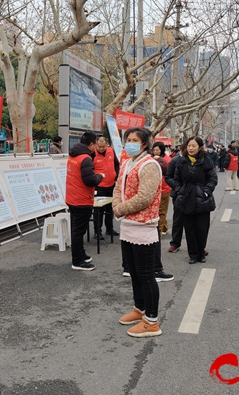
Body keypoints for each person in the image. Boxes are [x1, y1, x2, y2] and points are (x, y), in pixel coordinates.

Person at [113, 127, 163, 337]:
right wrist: (117, 204)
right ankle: (139, 308)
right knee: (133, 272)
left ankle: (151, 321)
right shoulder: (127, 162)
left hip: (143, 227)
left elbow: (145, 197)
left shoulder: (150, 165)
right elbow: (118, 188)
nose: (130, 143)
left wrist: (120, 209)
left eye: (135, 140)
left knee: (145, 274)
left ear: (144, 144)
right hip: (128, 226)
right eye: (128, 139)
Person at [169, 137, 217, 264]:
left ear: (200, 147)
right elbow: (176, 179)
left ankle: (201, 253)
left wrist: (206, 192)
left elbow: (212, 178)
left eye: (193, 146)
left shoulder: (206, 160)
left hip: (202, 198)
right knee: (189, 229)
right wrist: (179, 189)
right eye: (189, 145)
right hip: (185, 198)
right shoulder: (181, 161)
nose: (190, 148)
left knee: (202, 228)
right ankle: (193, 255)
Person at [65, 131, 104, 271]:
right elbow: (89, 180)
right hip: (81, 199)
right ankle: (77, 261)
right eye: (96, 144)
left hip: (72, 197)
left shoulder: (73, 154)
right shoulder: (85, 158)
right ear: (91, 144)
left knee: (77, 229)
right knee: (78, 231)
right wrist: (100, 176)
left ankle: (81, 254)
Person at [149, 142, 174, 282]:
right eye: (154, 149)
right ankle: (163, 227)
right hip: (153, 190)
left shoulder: (167, 161)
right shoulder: (148, 160)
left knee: (162, 212)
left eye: (158, 149)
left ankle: (160, 229)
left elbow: (168, 174)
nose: (156, 151)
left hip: (164, 189)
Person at [92, 136, 119, 240]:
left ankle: (109, 229)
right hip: (100, 187)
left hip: (111, 185)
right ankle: (97, 232)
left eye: (103, 146)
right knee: (99, 211)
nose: (101, 148)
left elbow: (117, 164)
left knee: (110, 210)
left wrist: (116, 175)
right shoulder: (93, 154)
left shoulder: (111, 151)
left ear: (106, 144)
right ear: (96, 144)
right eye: (99, 146)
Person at [166, 145, 185, 253]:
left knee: (195, 222)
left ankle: (198, 246)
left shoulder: (200, 160)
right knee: (178, 220)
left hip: (195, 195)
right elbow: (168, 177)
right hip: (178, 194)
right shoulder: (175, 160)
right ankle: (175, 243)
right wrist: (178, 188)